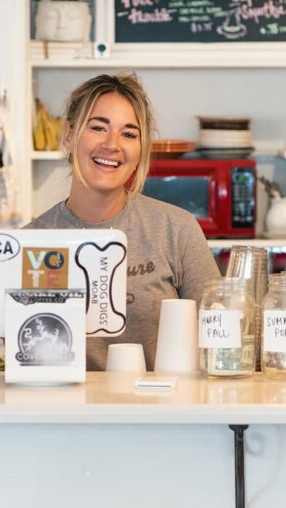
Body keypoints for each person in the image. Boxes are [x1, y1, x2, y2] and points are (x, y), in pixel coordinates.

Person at [27, 72, 221, 370]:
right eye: (97, 128)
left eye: (129, 134)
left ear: (141, 149)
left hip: (166, 399)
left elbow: (219, 338)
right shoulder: (31, 242)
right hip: (65, 400)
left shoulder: (176, 230)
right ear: (68, 137)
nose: (112, 144)